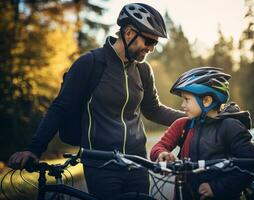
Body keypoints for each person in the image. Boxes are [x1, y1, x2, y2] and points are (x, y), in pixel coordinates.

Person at [8, 3, 184, 199]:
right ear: (128, 33)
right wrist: (34, 149)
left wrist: (194, 118)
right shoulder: (91, 63)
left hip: (137, 164)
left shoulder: (143, 70)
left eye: (155, 44)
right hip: (101, 165)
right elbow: (61, 108)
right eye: (149, 41)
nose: (151, 49)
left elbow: (154, 110)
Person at [150, 67, 254, 200]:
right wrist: (162, 154)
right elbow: (158, 147)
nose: (182, 105)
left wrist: (216, 188)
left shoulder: (230, 127)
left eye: (186, 99)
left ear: (207, 101)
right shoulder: (183, 124)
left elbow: (250, 165)